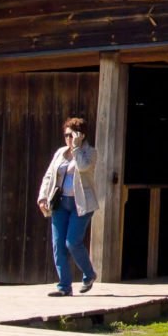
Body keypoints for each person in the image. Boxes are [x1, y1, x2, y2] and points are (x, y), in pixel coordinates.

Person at [37, 116, 97, 296]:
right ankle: (64, 286)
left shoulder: (90, 152)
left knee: (72, 242)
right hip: (60, 203)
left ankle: (89, 273)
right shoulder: (60, 153)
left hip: (82, 204)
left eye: (72, 135)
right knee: (58, 245)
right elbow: (49, 175)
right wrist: (42, 197)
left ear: (81, 135)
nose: (68, 139)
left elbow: (84, 167)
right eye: (66, 135)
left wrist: (77, 148)